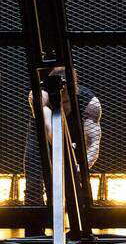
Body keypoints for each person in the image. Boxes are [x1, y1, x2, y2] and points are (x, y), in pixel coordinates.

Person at [24, 67, 102, 210]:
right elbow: (50, 130)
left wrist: (79, 167)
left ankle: (81, 226)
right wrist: (65, 161)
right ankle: (35, 228)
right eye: (59, 101)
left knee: (78, 185)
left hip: (75, 136)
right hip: (41, 135)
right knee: (33, 185)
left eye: (65, 102)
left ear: (73, 91)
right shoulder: (39, 96)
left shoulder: (90, 103)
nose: (62, 106)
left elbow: (93, 145)